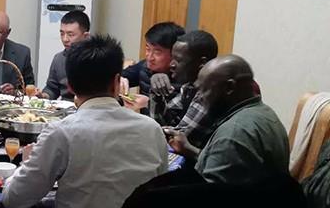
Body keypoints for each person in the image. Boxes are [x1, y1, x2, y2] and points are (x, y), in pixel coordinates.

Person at [3, 35, 169, 208]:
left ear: (69, 85)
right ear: (117, 81)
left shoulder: (63, 132)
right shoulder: (151, 130)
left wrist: (24, 166)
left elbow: (14, 201)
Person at [168, 55, 289, 185]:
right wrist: (189, 149)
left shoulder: (234, 133)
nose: (200, 97)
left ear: (229, 87)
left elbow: (210, 193)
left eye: (204, 89)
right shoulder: (263, 112)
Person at [148, 29, 218, 148]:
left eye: (178, 60)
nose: (171, 64)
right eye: (172, 58)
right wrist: (157, 93)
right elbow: (163, 122)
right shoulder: (189, 86)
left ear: (202, 63)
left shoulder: (209, 93)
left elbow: (174, 140)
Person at [121, 21, 185, 101]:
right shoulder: (145, 66)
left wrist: (147, 103)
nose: (150, 57)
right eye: (148, 49)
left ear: (174, 53)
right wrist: (121, 79)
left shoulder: (185, 79)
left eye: (157, 52)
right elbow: (119, 76)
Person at [41, 10, 90, 101]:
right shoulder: (59, 59)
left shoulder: (96, 59)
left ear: (86, 36)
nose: (65, 39)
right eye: (62, 34)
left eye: (70, 35)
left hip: (89, 106)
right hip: (64, 107)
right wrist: (43, 96)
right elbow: (52, 88)